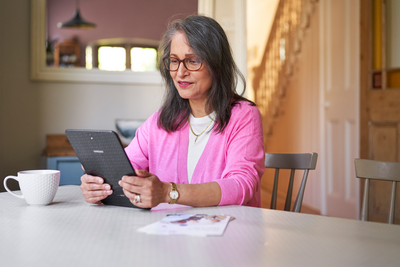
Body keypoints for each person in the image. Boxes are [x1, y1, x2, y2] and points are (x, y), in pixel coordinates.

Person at [80, 15, 265, 208]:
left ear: (217, 64)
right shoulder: (158, 122)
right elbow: (123, 173)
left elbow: (241, 185)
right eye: (174, 61)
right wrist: (99, 186)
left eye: (193, 61)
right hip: (168, 234)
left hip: (229, 232)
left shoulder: (244, 115)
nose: (180, 72)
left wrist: (168, 192)